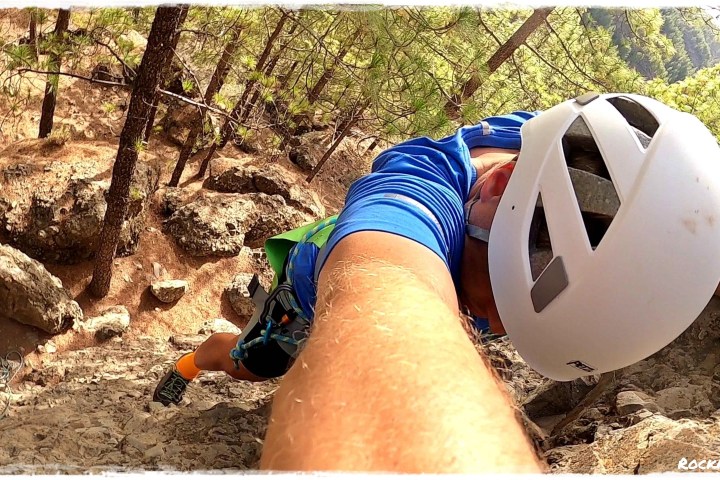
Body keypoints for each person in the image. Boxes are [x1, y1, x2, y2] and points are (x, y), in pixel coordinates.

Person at [153, 93, 720, 472]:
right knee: (253, 365)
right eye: (495, 294)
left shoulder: (540, 145)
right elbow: (387, 285)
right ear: (499, 187)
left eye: (518, 328)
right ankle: (192, 361)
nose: (493, 327)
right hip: (307, 294)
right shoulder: (417, 192)